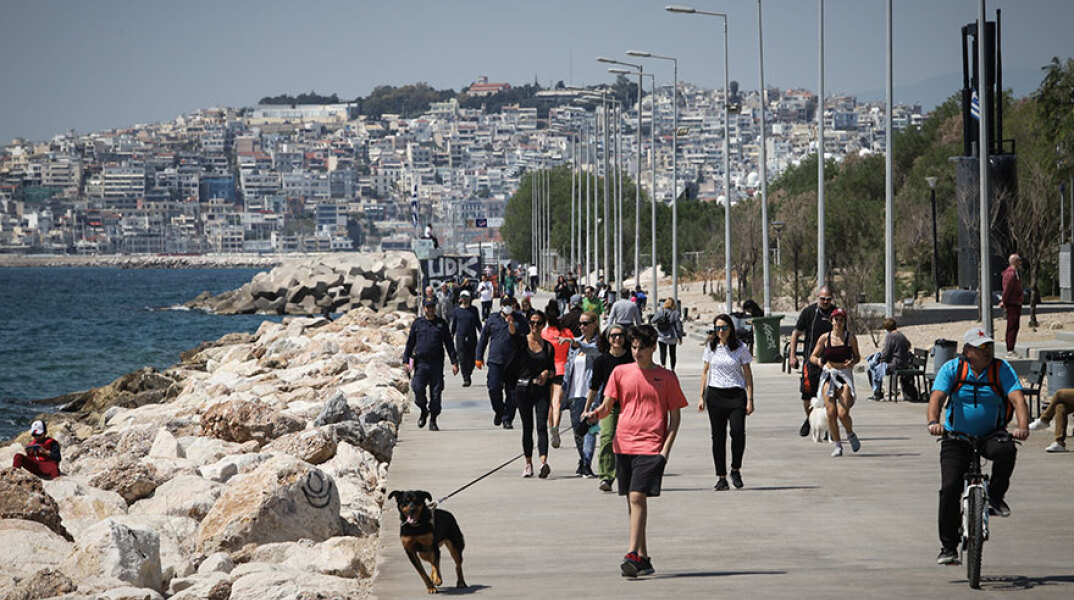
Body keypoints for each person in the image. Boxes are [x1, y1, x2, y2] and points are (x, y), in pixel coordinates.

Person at [582, 325, 687, 578]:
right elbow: (607, 407)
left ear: (653, 348)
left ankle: (631, 554)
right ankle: (643, 557)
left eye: (642, 348)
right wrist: (593, 415)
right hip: (624, 443)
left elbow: (675, 419)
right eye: (634, 347)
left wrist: (665, 452)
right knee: (633, 501)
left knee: (637, 496)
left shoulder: (667, 377)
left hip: (651, 446)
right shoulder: (620, 372)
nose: (637, 352)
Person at [927, 325, 1029, 565]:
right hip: (957, 437)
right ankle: (948, 548)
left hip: (990, 435)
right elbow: (937, 398)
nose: (987, 351)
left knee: (1006, 450)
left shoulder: (1001, 369)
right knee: (950, 488)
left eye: (989, 346)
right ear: (967, 351)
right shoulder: (952, 369)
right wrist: (933, 422)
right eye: (981, 347)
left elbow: (1017, 399)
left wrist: (1023, 426)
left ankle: (996, 496)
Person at [699, 314, 755, 490]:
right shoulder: (711, 347)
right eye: (717, 328)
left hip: (736, 395)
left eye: (724, 328)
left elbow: (748, 374)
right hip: (715, 395)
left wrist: (750, 399)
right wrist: (701, 396)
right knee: (718, 437)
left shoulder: (740, 348)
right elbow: (705, 372)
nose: (721, 331)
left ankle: (735, 469)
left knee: (737, 433)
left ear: (730, 328)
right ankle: (721, 477)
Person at [586, 323, 634, 492]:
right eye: (613, 336)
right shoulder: (601, 360)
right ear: (608, 339)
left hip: (630, 406)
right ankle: (606, 476)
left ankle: (628, 474)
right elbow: (594, 387)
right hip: (609, 406)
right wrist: (587, 409)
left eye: (620, 335)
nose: (617, 338)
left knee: (628, 441)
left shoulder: (632, 358)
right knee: (607, 438)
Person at [401, 298, 460, 431]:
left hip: (436, 364)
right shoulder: (418, 324)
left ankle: (433, 420)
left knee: (436, 394)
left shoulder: (441, 324)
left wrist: (454, 362)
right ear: (424, 308)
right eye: (428, 307)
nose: (430, 309)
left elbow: (449, 344)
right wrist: (406, 362)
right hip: (421, 364)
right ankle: (423, 410)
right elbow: (410, 344)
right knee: (417, 389)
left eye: (432, 307)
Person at [810, 308, 861, 457]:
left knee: (843, 413)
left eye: (841, 320)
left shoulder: (850, 338)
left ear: (844, 322)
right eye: (836, 320)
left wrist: (852, 362)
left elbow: (857, 356)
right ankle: (838, 445)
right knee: (831, 412)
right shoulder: (825, 338)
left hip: (844, 375)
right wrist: (819, 362)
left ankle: (850, 433)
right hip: (829, 375)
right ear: (831, 321)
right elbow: (813, 356)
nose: (838, 323)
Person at [789, 286, 838, 437]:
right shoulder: (809, 312)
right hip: (811, 360)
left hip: (831, 361)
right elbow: (795, 333)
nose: (825, 302)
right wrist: (792, 355)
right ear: (818, 298)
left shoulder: (836, 313)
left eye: (828, 299)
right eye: (822, 299)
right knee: (807, 395)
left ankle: (830, 427)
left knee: (830, 396)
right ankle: (810, 419)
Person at [476, 296, 530, 429]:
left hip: (514, 362)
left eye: (510, 304)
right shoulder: (492, 320)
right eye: (505, 304)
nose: (508, 307)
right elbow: (483, 339)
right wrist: (478, 357)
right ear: (501, 306)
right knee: (493, 387)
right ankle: (499, 411)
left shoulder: (520, 321)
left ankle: (507, 419)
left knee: (513, 393)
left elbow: (527, 340)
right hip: (496, 361)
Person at [514, 310, 556, 478]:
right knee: (527, 426)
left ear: (543, 325)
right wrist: (511, 324)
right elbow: (512, 338)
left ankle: (543, 462)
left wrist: (546, 372)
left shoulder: (548, 347)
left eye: (538, 323)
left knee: (541, 426)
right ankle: (528, 463)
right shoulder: (522, 343)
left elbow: (553, 370)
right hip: (523, 389)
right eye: (532, 323)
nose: (535, 326)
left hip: (541, 390)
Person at [561, 311, 602, 477]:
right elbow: (568, 366)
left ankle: (587, 463)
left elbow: (595, 352)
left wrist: (577, 344)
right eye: (580, 324)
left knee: (591, 428)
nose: (582, 327)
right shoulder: (575, 343)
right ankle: (582, 459)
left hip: (592, 393)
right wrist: (563, 387)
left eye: (585, 323)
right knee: (578, 430)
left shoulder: (599, 343)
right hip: (574, 392)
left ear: (594, 324)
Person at [866, 318, 919, 401]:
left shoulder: (890, 336)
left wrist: (879, 360)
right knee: (877, 367)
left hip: (896, 364)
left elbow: (886, 353)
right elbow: (908, 345)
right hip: (903, 362)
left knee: (874, 368)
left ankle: (877, 393)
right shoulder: (901, 335)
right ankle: (878, 392)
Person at [542, 301, 572, 450]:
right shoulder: (566, 333)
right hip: (561, 369)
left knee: (550, 404)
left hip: (547, 370)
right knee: (557, 403)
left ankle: (551, 428)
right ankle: (556, 427)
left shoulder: (544, 334)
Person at [450, 290, 481, 387]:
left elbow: (478, 323)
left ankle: (469, 372)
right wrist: (451, 335)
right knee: (462, 358)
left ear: (469, 298)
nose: (464, 299)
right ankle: (466, 378)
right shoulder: (457, 311)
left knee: (471, 358)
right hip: (460, 337)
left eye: (466, 297)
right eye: (462, 297)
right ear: (460, 299)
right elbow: (453, 325)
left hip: (472, 337)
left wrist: (483, 333)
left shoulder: (474, 310)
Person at [1000, 254, 1024, 358]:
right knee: (1012, 326)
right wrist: (1004, 301)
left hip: (1016, 303)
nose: (1020, 263)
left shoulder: (1015, 273)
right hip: (1012, 303)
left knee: (1015, 326)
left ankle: (1011, 348)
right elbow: (1007, 289)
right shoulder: (1010, 274)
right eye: (1019, 260)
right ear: (1014, 261)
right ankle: (1010, 350)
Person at [653, 298, 684, 371]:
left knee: (663, 353)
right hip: (672, 335)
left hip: (661, 335)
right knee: (672, 353)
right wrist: (680, 337)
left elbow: (653, 320)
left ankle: (663, 367)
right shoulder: (675, 313)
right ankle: (672, 369)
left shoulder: (661, 311)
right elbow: (678, 326)